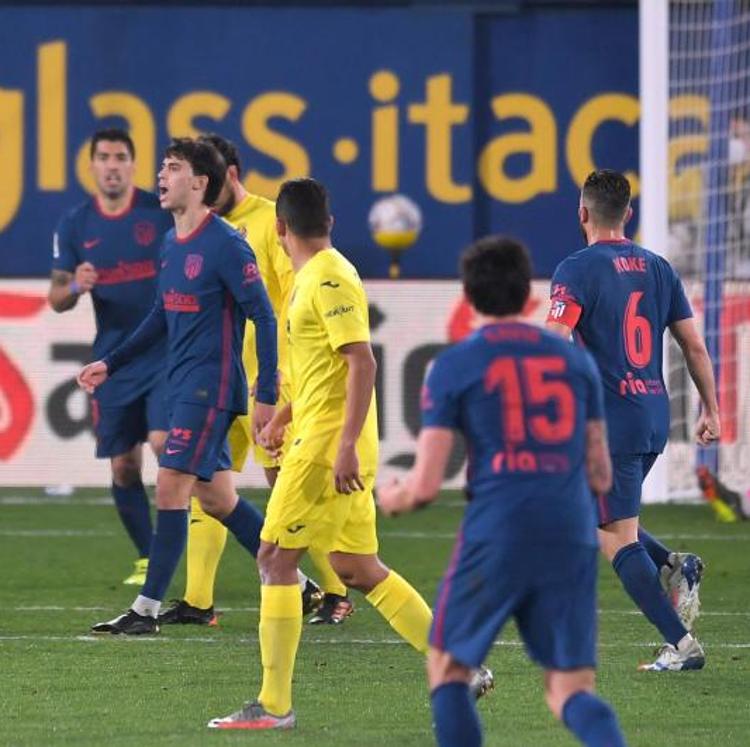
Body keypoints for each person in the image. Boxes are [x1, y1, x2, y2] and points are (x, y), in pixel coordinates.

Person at [378, 236, 626, 747]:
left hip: (498, 531)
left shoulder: (454, 365)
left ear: (468, 297)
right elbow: (601, 475)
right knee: (569, 690)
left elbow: (425, 484)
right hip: (572, 533)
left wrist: (393, 495)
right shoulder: (576, 363)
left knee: (448, 669)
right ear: (527, 294)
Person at [207, 178, 437, 730]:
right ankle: (456, 664)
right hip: (320, 435)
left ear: (281, 229)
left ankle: (274, 705)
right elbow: (326, 372)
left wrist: (343, 448)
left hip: (328, 448)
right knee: (354, 567)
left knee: (273, 558)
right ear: (328, 222)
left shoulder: (328, 276)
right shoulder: (314, 276)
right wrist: (284, 417)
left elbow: (362, 362)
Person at [78, 137, 280, 635]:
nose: (160, 178)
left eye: (171, 168)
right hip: (181, 381)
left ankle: (146, 611)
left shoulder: (228, 243)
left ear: (200, 182)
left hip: (212, 385)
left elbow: (266, 317)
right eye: (162, 168)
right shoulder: (170, 242)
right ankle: (296, 584)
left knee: (170, 483)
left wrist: (267, 394)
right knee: (217, 499)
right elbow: (160, 315)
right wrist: (113, 361)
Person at [158, 134, 345, 628]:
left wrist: (276, 376)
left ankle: (334, 589)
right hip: (222, 374)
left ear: (228, 174)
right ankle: (198, 600)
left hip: (270, 377)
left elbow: (288, 294)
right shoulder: (204, 229)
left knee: (287, 484)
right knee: (205, 484)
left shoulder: (268, 222)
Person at [546, 169, 719, 671]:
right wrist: (712, 408)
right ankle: (675, 565)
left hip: (609, 423)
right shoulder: (659, 267)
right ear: (628, 214)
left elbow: (555, 339)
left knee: (614, 536)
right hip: (651, 416)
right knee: (588, 510)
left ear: (582, 213)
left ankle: (683, 646)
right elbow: (694, 345)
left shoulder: (575, 269)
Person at [48, 128, 173, 585]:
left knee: (164, 446)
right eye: (104, 157)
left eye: (121, 156)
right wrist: (76, 285)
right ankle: (147, 555)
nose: (113, 164)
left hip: (163, 352)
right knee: (124, 466)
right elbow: (56, 296)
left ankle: (178, 551)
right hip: (115, 361)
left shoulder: (158, 213)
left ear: (133, 164)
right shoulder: (76, 224)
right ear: (93, 165)